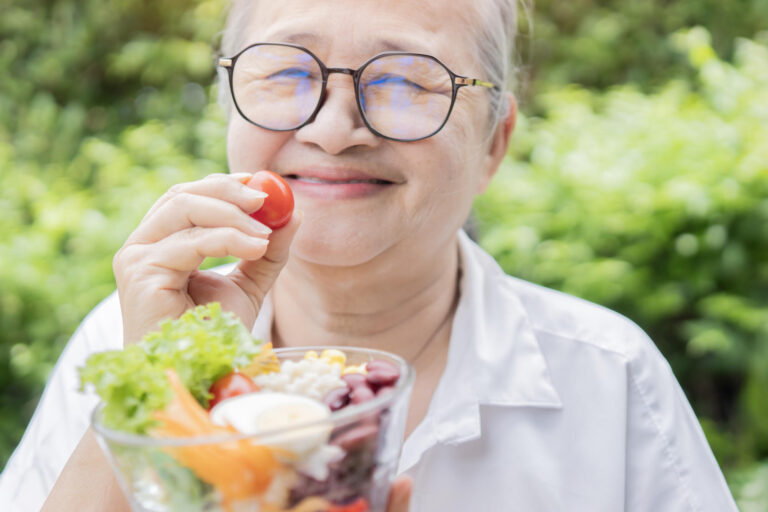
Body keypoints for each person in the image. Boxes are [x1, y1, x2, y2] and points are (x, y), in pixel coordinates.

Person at [0, 0, 739, 510]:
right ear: (229, 102)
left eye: (407, 80)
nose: (333, 127)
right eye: (286, 72)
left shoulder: (609, 381)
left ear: (494, 143)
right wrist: (165, 384)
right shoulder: (126, 342)